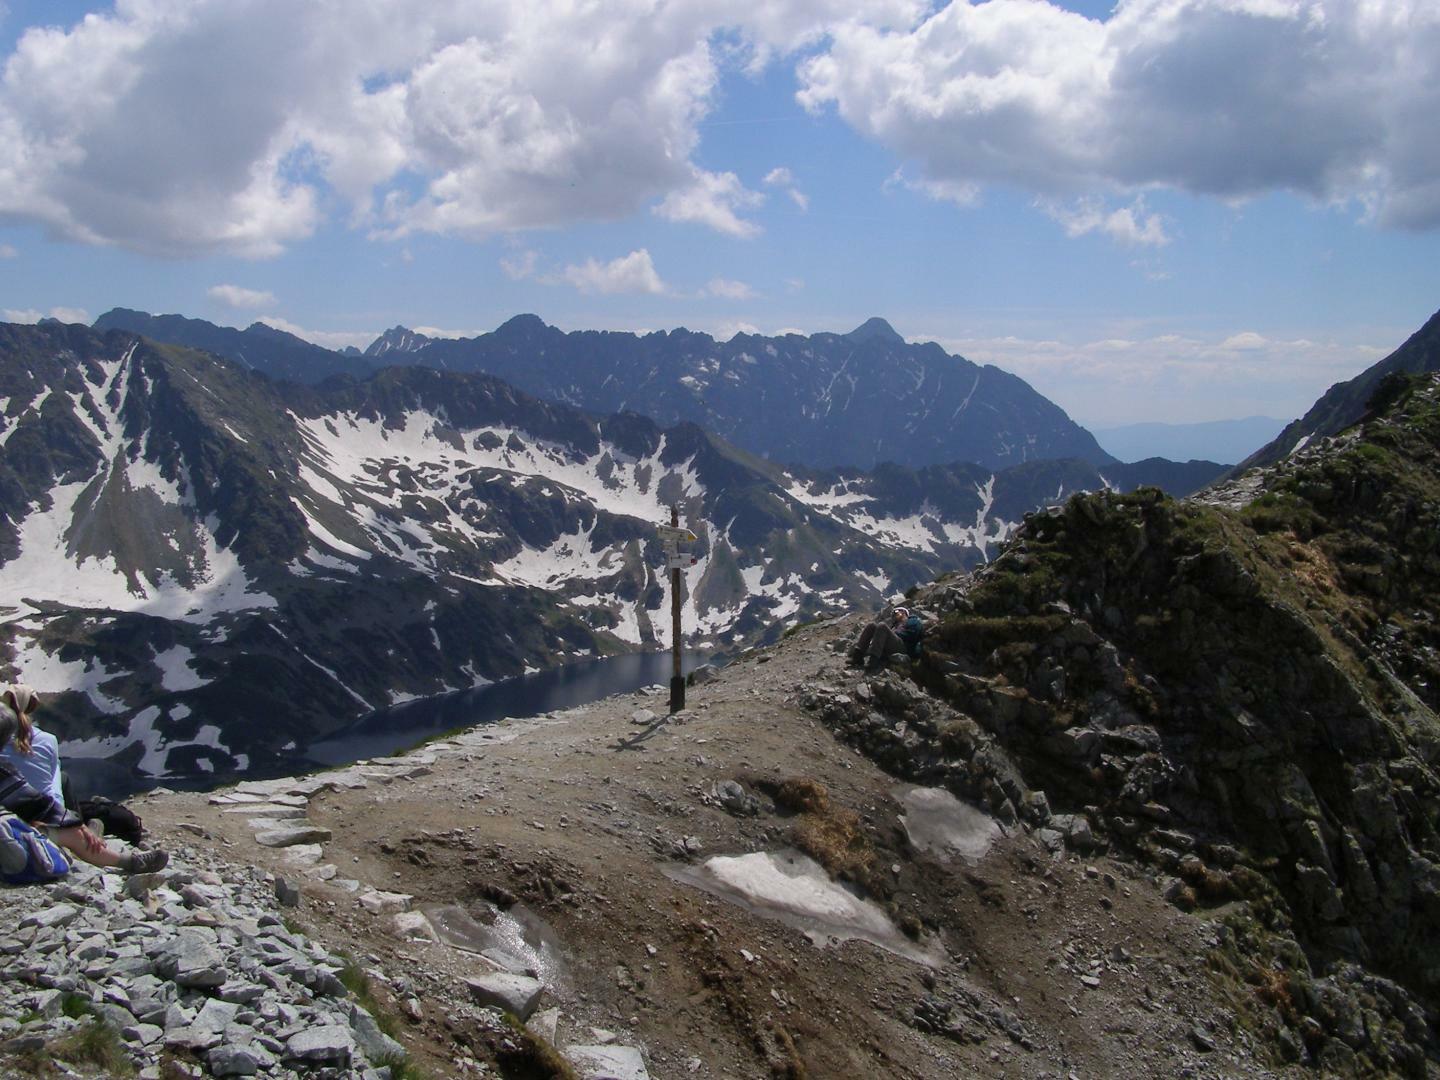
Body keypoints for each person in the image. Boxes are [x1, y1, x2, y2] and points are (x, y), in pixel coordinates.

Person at [0, 688, 167, 874]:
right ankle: (126, 861)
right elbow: (38, 803)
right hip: (10, 834)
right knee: (73, 833)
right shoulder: (9, 769)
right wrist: (77, 825)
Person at [849, 606, 924, 669]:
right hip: (894, 644)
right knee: (871, 625)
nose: (894, 615)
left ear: (904, 612)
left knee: (882, 626)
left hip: (904, 646)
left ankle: (873, 661)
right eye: (893, 614)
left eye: (896, 612)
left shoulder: (913, 621)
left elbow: (912, 634)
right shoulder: (896, 625)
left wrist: (896, 633)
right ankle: (858, 656)